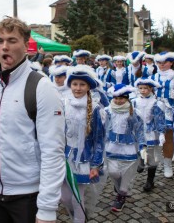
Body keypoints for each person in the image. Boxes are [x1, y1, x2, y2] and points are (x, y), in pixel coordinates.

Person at [0, 17, 65, 223]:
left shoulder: (42, 87)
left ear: (26, 45)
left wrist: (47, 208)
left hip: (27, 196)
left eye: (12, 40)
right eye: (1, 40)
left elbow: (53, 150)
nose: (5, 46)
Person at [61, 65, 106, 223]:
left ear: (88, 87)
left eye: (82, 85)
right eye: (75, 84)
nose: (78, 88)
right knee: (65, 197)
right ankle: (78, 216)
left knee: (76, 198)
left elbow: (99, 139)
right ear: (70, 85)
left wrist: (95, 165)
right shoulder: (63, 103)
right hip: (64, 156)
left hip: (83, 159)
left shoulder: (95, 109)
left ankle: (79, 220)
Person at [105, 84, 145, 212]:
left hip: (129, 147)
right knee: (113, 172)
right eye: (116, 98)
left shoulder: (134, 113)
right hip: (112, 146)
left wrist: (142, 147)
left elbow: (139, 130)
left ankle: (121, 195)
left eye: (122, 98)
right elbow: (102, 129)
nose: (118, 100)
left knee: (127, 172)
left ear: (127, 98)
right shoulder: (107, 111)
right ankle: (119, 187)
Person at [133, 78, 165, 192]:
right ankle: (140, 161)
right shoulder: (134, 102)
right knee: (138, 149)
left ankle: (150, 180)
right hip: (138, 132)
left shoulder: (156, 103)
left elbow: (159, 119)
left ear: (150, 89)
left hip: (151, 132)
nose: (143, 90)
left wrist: (161, 133)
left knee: (152, 156)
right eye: (140, 88)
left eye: (145, 88)